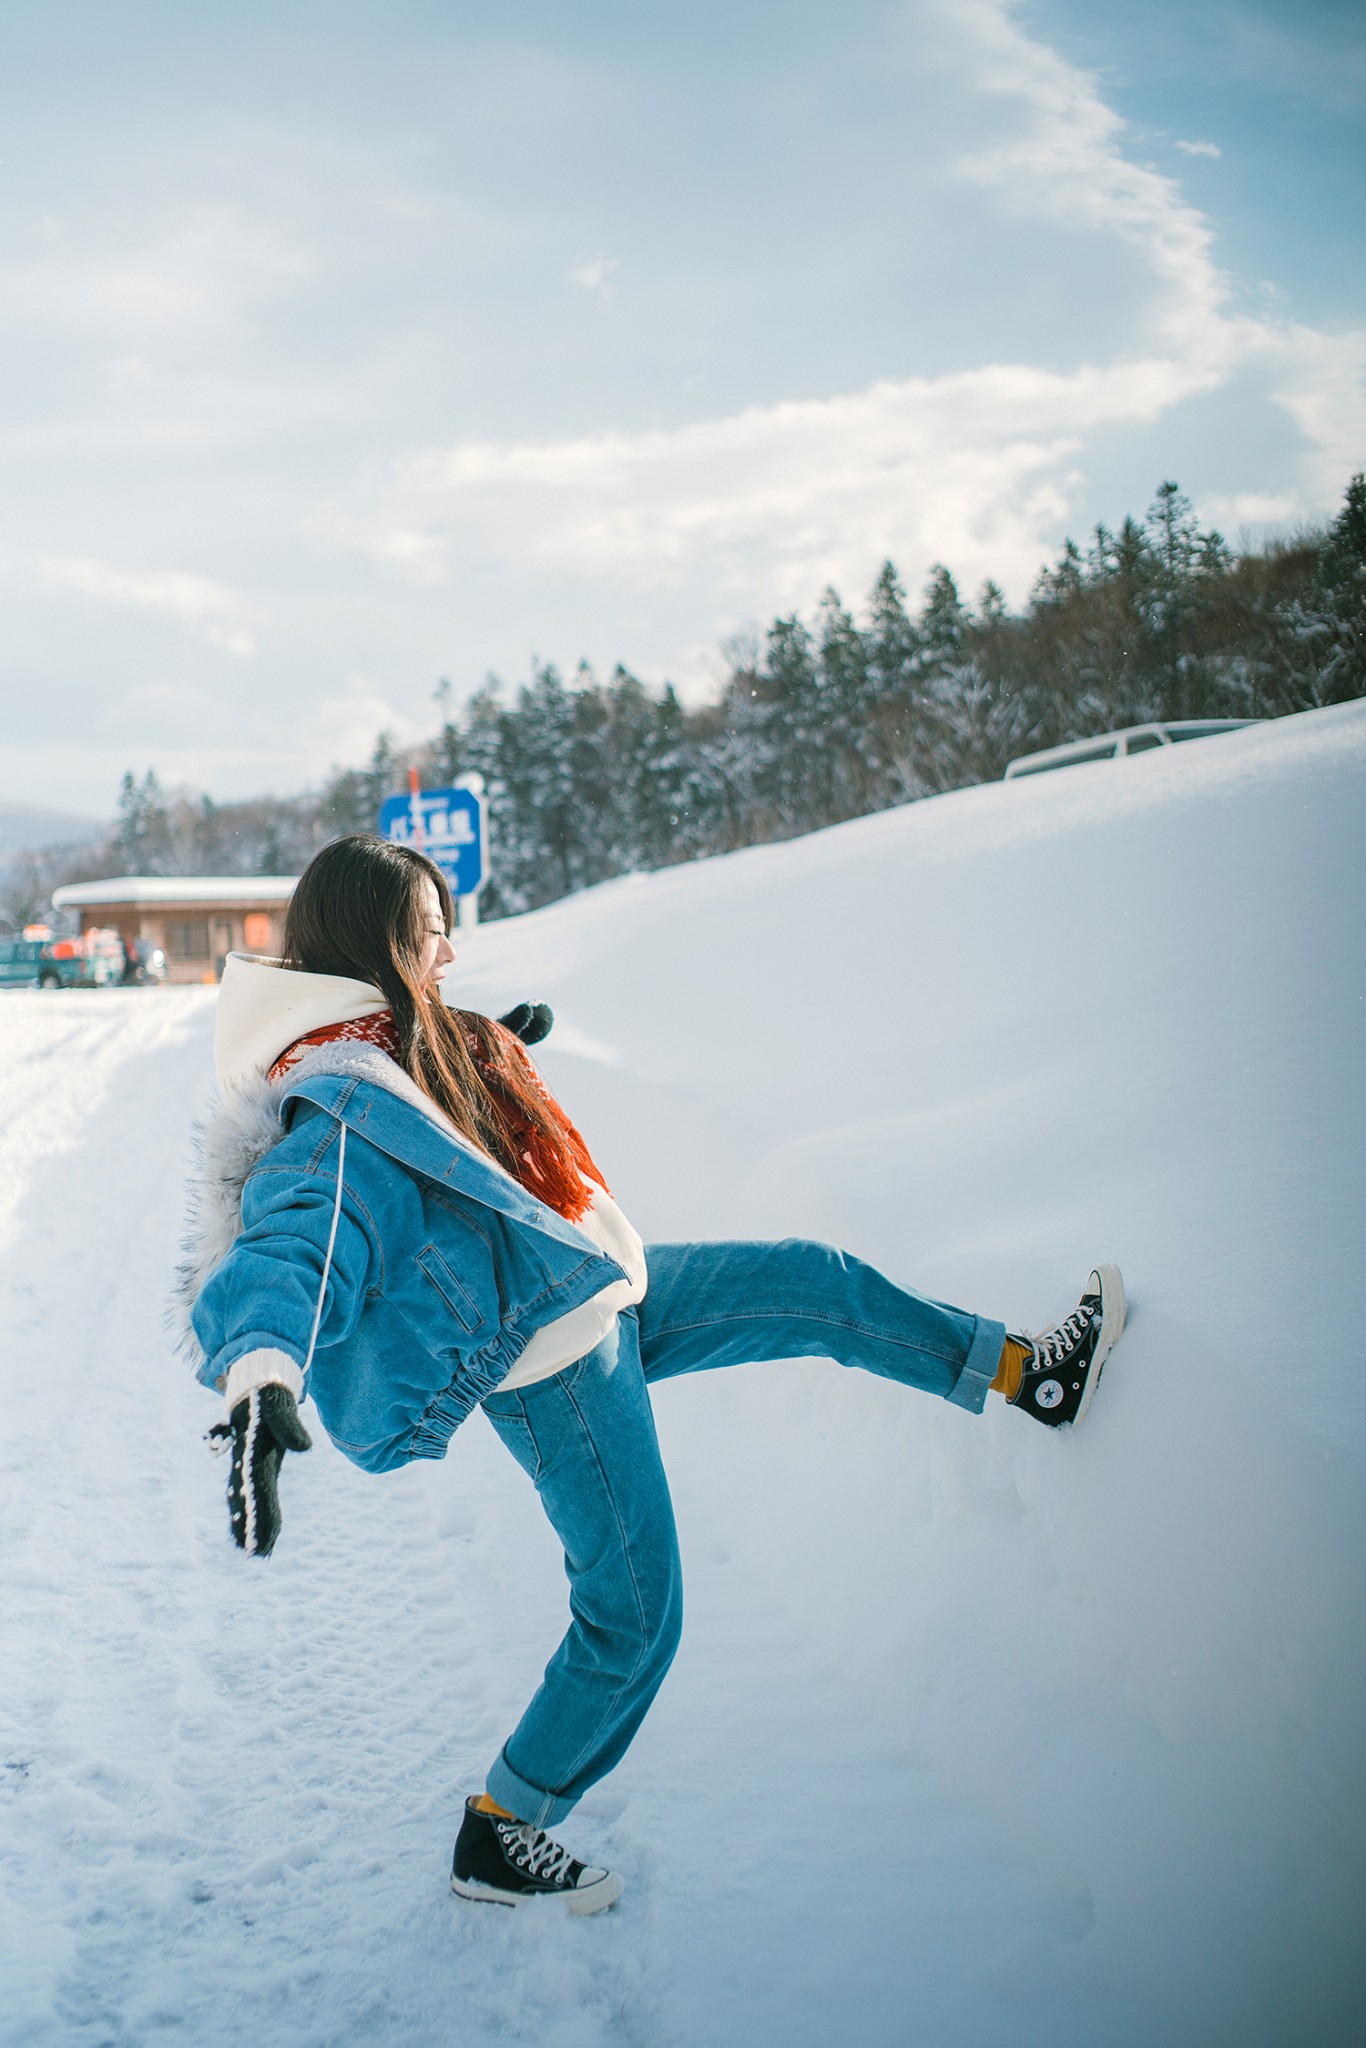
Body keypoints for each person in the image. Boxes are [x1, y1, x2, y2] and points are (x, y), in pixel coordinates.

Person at [177, 834, 1126, 1917]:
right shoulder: (335, 1105)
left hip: (599, 1292)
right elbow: (295, 1245)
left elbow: (454, 1123)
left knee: (816, 1283)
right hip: (558, 1372)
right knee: (633, 1619)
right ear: (380, 941)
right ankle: (504, 1825)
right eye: (432, 930)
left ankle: (1024, 1373)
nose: (449, 948)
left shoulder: (399, 1039)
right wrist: (261, 1374)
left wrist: (499, 1048)